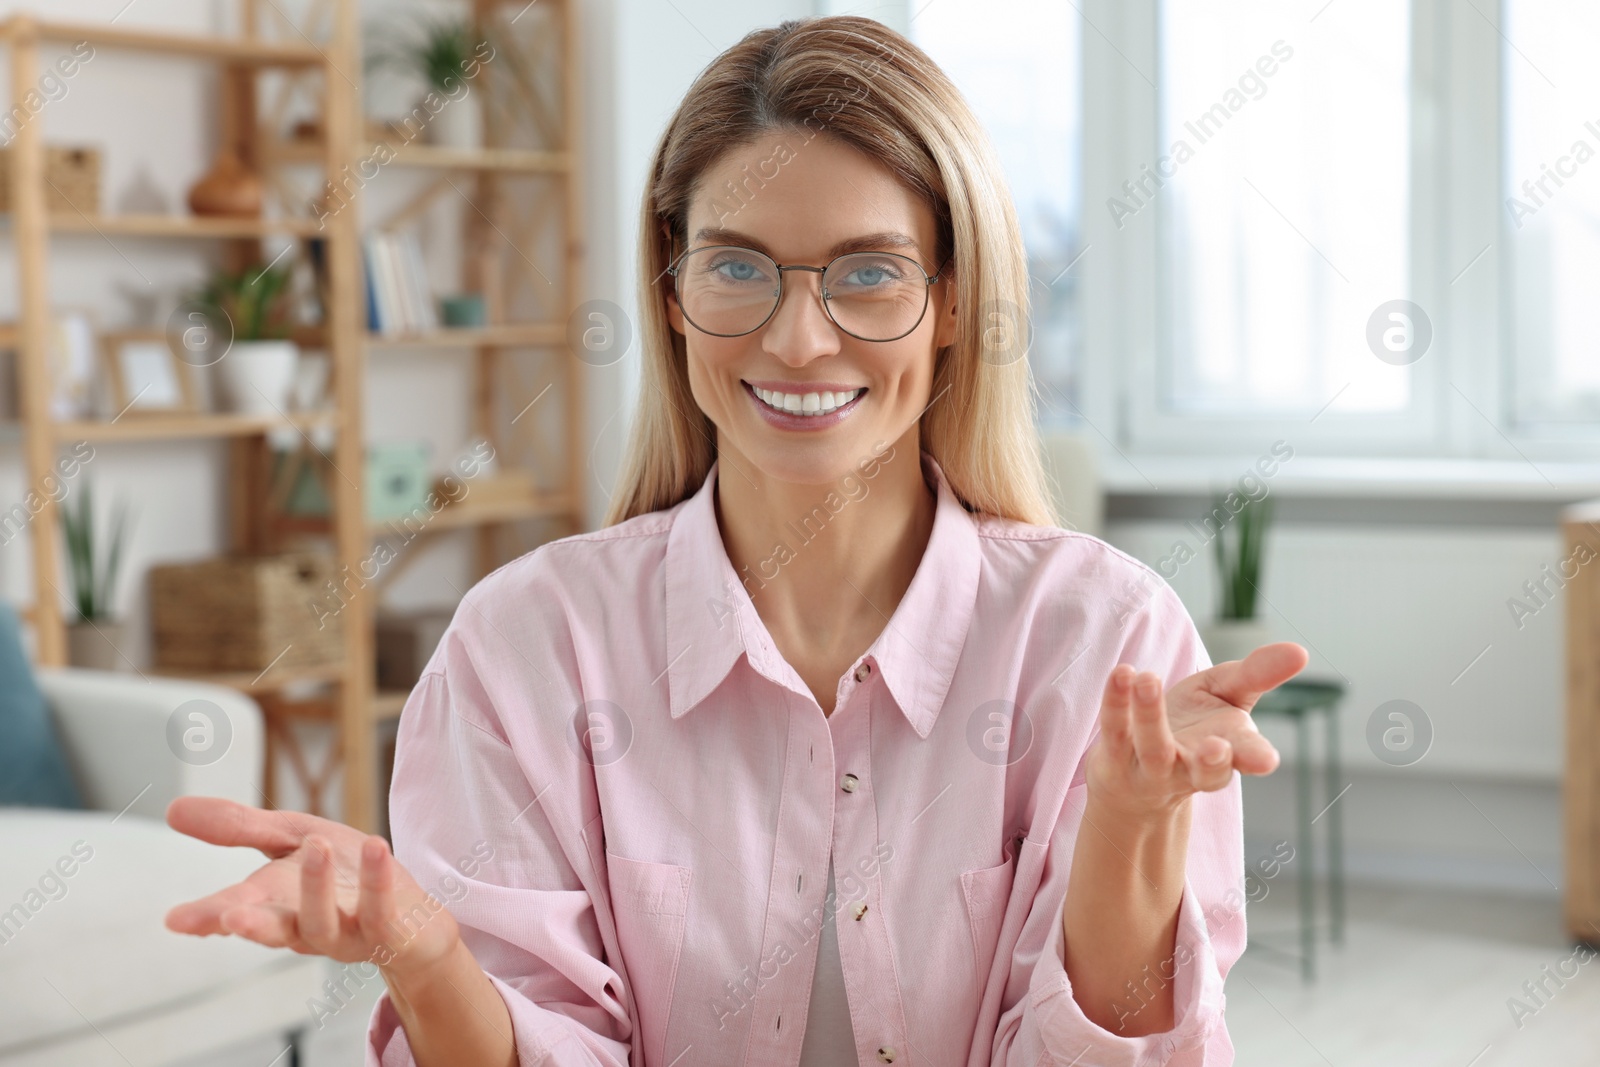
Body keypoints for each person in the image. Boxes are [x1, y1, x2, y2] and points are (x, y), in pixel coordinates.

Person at [165, 15, 1306, 1066]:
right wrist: (424, 956)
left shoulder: (1107, 637)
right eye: (737, 267)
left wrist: (1129, 829)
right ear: (669, 287)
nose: (800, 338)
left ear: (955, 300)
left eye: (869, 273)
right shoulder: (523, 643)